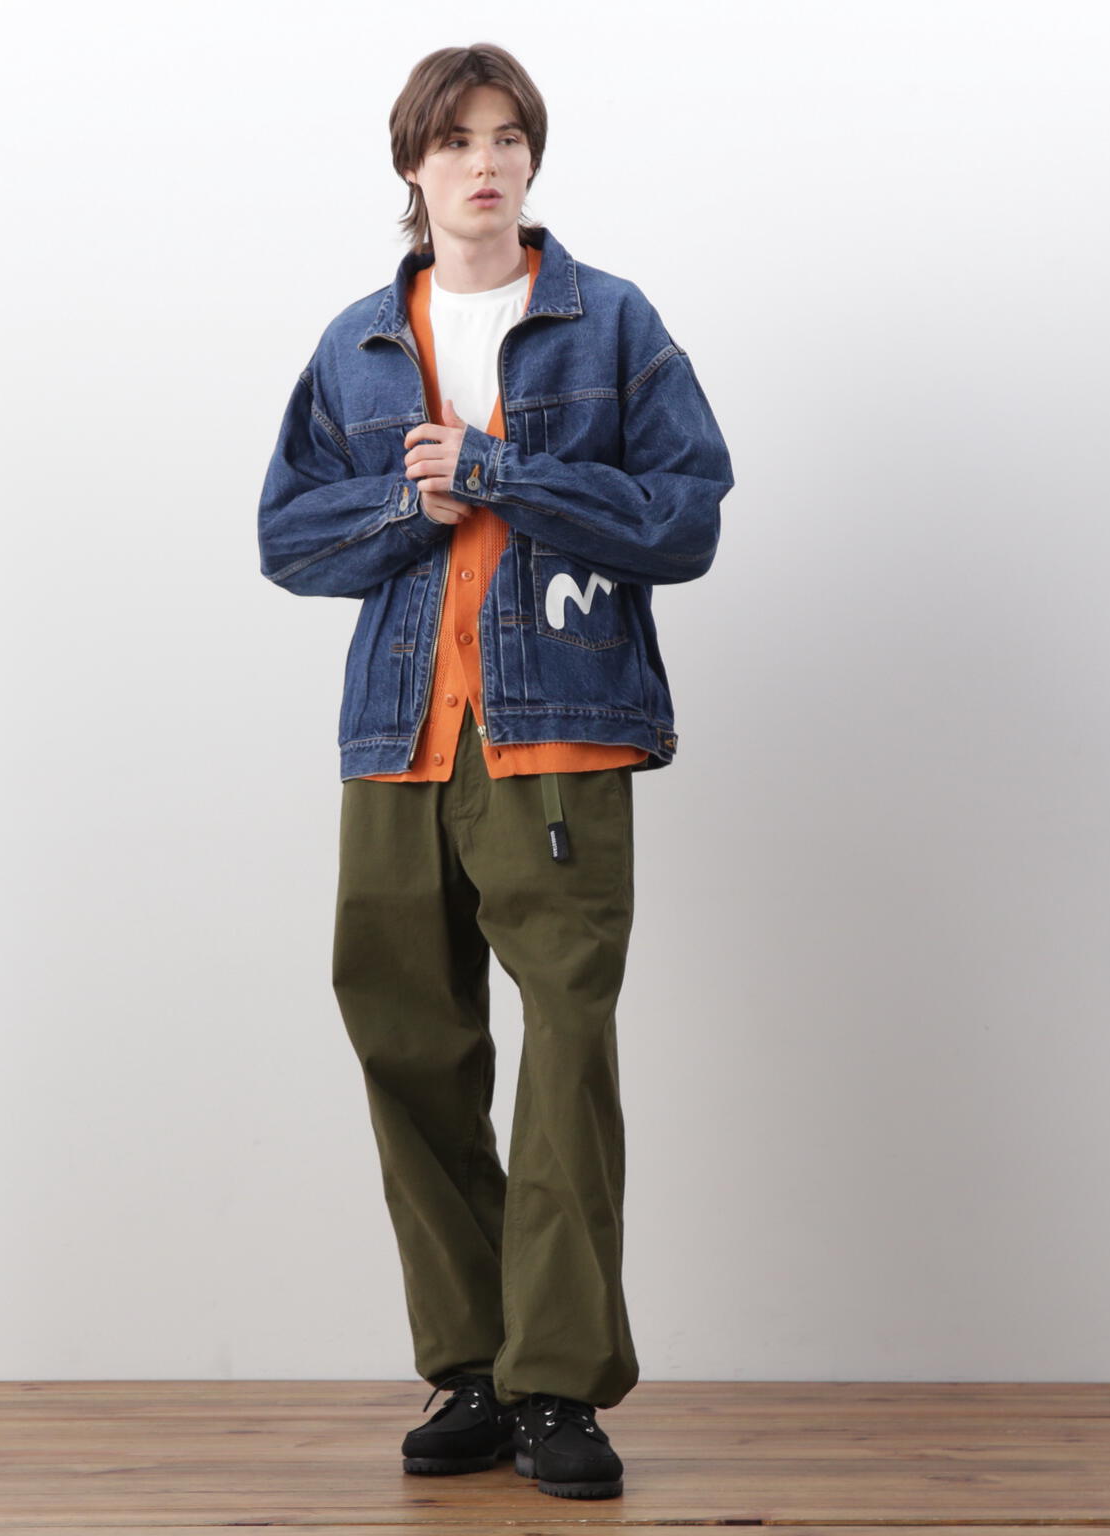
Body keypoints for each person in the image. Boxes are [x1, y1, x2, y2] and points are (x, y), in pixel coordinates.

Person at [257, 42, 734, 1501]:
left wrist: (502, 474)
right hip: (400, 741)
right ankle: (471, 1366)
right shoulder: (358, 343)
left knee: (567, 1046)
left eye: (508, 135)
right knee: (408, 1041)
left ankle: (558, 1383)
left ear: (533, 157)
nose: (485, 161)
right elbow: (287, 538)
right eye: (456, 138)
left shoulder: (610, 321)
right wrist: (413, 503)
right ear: (413, 164)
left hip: (560, 735)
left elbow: (687, 517)